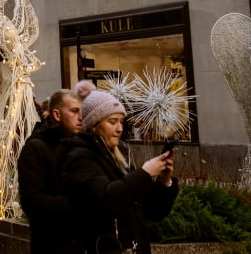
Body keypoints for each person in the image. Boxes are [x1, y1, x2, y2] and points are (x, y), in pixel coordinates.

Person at [58, 90, 177, 254]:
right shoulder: (79, 157)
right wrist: (144, 174)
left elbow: (151, 212)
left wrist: (164, 182)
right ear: (94, 124)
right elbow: (105, 200)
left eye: (121, 122)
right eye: (112, 122)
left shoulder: (122, 154)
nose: (119, 128)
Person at [18, 89, 82, 254]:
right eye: (74, 111)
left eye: (82, 111)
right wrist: (78, 204)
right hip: (52, 243)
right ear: (57, 114)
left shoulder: (81, 145)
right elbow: (31, 200)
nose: (81, 117)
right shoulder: (37, 147)